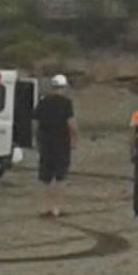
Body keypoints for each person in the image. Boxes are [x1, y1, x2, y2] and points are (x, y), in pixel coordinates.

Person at [32, 74, 78, 217]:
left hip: (45, 144)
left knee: (45, 177)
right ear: (63, 87)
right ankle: (57, 208)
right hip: (61, 144)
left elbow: (35, 123)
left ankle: (45, 207)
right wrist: (74, 140)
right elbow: (72, 125)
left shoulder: (42, 102)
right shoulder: (66, 103)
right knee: (61, 177)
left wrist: (36, 139)